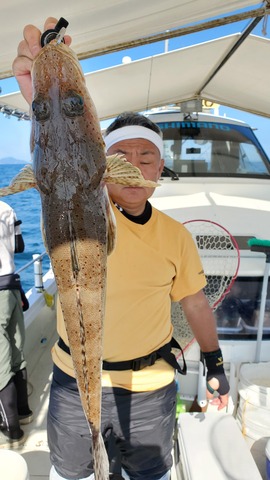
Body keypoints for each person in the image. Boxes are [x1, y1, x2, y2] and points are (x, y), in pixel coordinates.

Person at [13, 18, 230, 480]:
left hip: (150, 386)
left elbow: (194, 301)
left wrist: (214, 360)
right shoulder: (81, 199)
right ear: (104, 163)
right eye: (120, 156)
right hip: (73, 384)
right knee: (71, 472)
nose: (133, 164)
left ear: (160, 167)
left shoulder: (174, 235)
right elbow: (63, 145)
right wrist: (42, 101)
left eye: (146, 155)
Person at [0, 200, 32, 448]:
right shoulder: (7, 207)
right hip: (11, 286)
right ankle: (24, 411)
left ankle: (11, 430)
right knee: (16, 352)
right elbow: (19, 246)